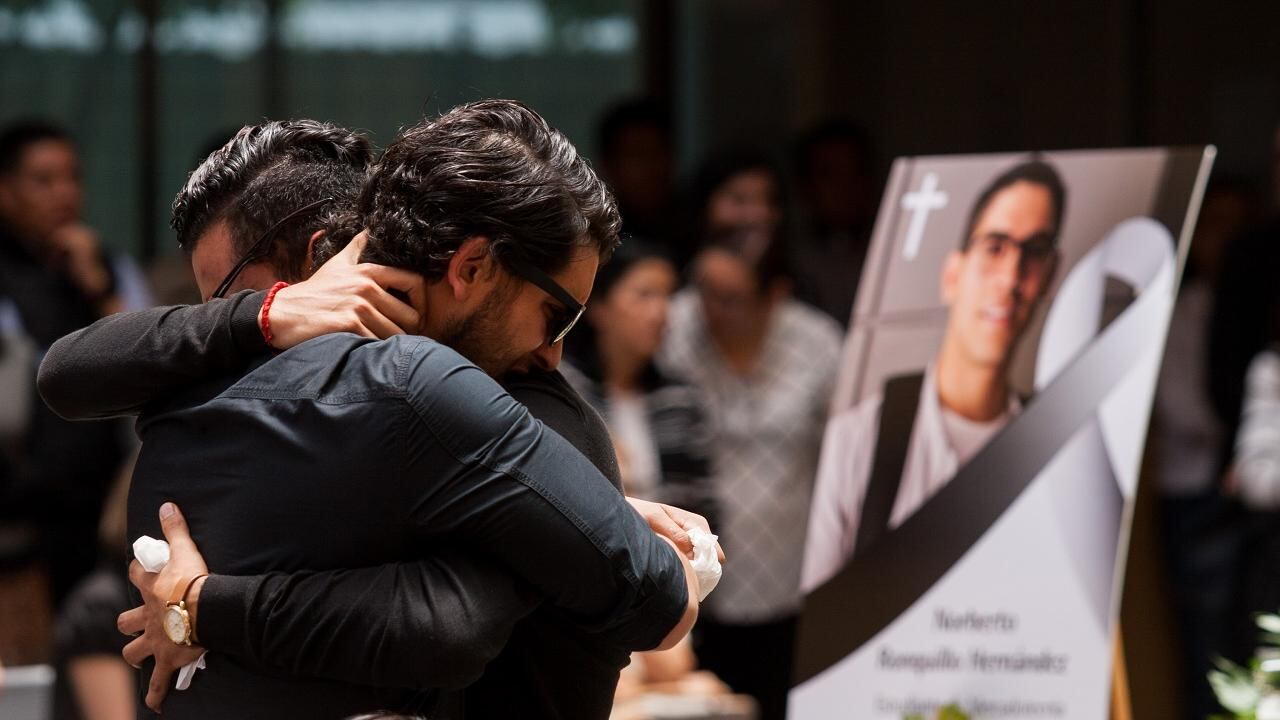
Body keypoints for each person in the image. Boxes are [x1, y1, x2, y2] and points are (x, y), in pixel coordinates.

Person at [40, 115, 712, 719]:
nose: (555, 348)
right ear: (472, 265)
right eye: (558, 313)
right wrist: (266, 314)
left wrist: (198, 608)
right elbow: (456, 626)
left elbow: (451, 624)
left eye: (224, 295)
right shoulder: (249, 380)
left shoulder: (185, 410)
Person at [802, 159, 1065, 590]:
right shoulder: (860, 439)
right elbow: (823, 607)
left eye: (1033, 253)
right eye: (995, 247)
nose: (1010, 279)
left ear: (1050, 276)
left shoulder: (1056, 450)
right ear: (952, 274)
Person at [659, 224, 842, 720]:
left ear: (774, 294)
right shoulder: (674, 326)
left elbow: (846, 458)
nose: (711, 310)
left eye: (731, 298)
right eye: (705, 291)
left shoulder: (818, 343)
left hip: (789, 572)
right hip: (691, 568)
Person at [0, 121, 133, 668]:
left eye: (72, 178)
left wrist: (98, 286)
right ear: (5, 190)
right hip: (17, 513)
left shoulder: (105, 265)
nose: (64, 194)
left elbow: (156, 357)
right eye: (43, 180)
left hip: (99, 508)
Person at [562, 240, 716, 522]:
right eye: (645, 295)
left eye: (668, 295)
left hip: (670, 557)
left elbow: (703, 503)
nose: (661, 312)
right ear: (599, 306)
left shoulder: (680, 399)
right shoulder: (566, 388)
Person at [788, 120, 878, 326]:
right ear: (806, 185)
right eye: (830, 175)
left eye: (854, 173)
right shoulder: (788, 261)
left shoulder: (892, 254)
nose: (844, 187)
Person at [596, 99, 675, 244]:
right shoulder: (595, 231)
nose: (650, 166)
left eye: (656, 153)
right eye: (637, 155)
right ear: (608, 165)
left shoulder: (694, 223)